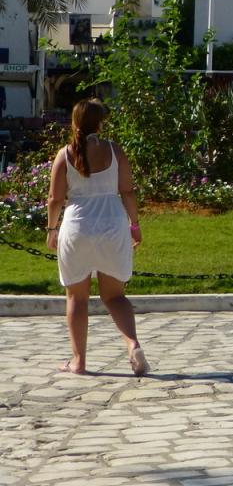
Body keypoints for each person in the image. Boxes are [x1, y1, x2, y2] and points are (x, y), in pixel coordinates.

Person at [44, 99, 149, 376]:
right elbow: (128, 190)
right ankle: (132, 344)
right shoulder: (115, 151)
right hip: (112, 224)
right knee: (114, 296)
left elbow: (55, 199)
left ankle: (79, 361)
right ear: (100, 122)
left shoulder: (65, 154)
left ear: (74, 121)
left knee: (76, 297)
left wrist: (51, 230)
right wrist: (134, 224)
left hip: (78, 225)